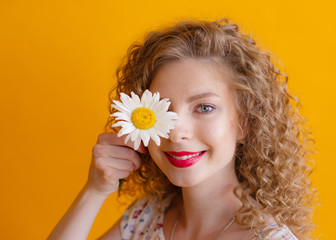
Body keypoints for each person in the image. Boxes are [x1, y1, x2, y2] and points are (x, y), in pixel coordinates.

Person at [48, 18, 316, 240]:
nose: (175, 133)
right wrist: (94, 191)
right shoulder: (146, 218)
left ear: (245, 122)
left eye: (204, 108)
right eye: (161, 109)